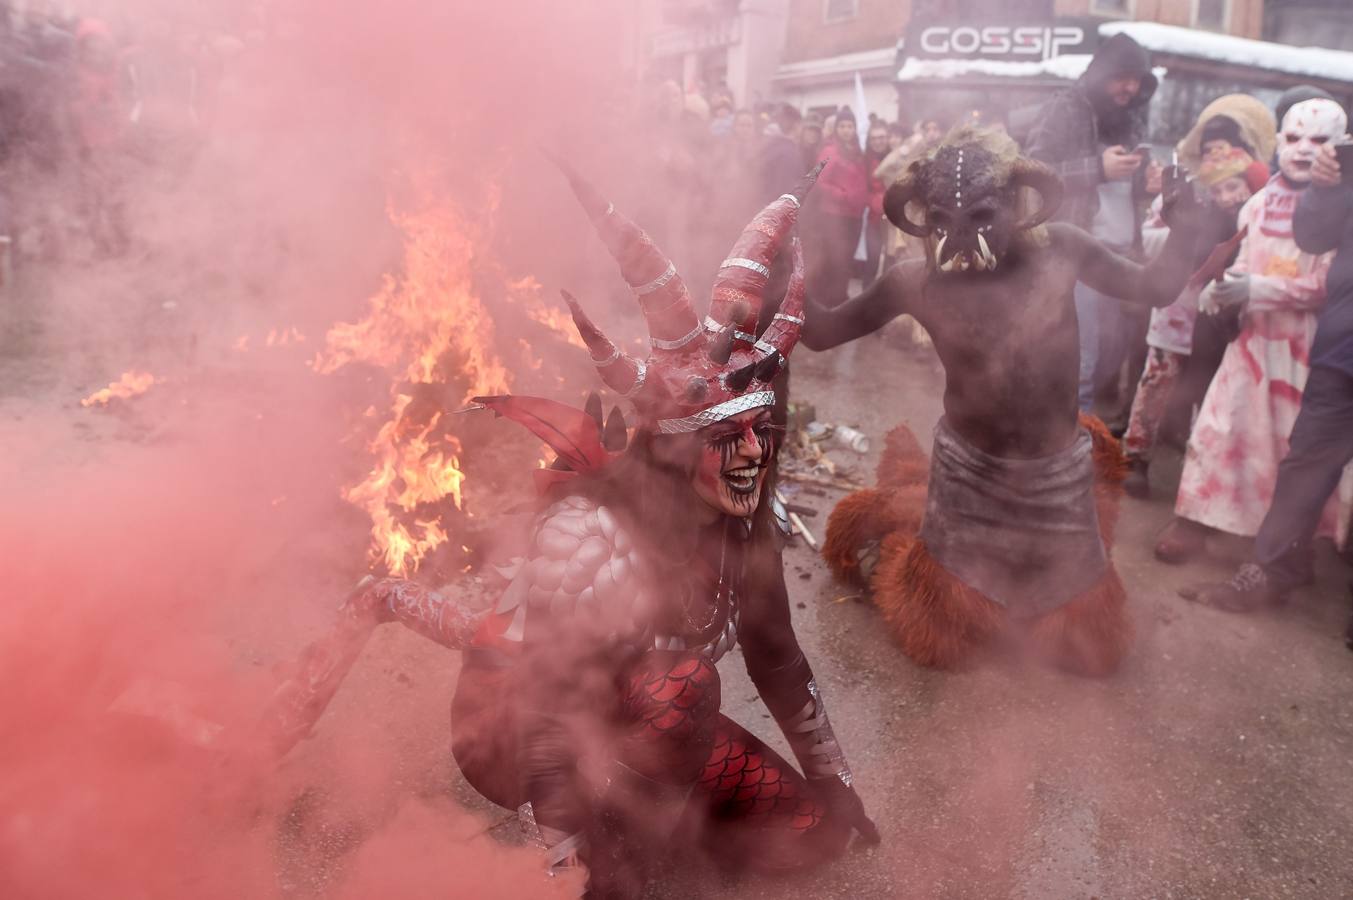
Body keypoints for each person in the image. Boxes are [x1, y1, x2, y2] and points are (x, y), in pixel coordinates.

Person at [296, 166, 878, 898]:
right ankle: (616, 838)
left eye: (761, 431)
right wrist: (566, 869)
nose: (754, 455)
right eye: (726, 438)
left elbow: (780, 666)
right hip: (521, 736)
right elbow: (543, 719)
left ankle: (654, 820)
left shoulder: (742, 533)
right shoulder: (592, 539)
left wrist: (836, 783)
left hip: (646, 725)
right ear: (672, 448)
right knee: (682, 685)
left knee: (805, 835)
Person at [807, 126, 1206, 676]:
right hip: (968, 475)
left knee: (1090, 652)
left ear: (1016, 209)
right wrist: (781, 272)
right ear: (924, 220)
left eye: (980, 217)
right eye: (942, 221)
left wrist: (1186, 232)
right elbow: (823, 331)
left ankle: (974, 549)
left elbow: (1155, 288)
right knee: (943, 639)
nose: (961, 237)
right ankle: (893, 544)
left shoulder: (1061, 250)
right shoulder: (913, 281)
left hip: (1057, 474)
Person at [1155, 99, 1349, 564]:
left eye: (1320, 140)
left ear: (1340, 146)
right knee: (1219, 426)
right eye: (1295, 137)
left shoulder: (1339, 210)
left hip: (1303, 349)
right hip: (1252, 340)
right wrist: (1222, 290)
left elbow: (1326, 285)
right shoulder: (1257, 204)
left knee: (1284, 446)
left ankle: (1279, 546)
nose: (1305, 149)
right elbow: (1243, 260)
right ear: (1277, 141)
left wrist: (1258, 287)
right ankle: (1195, 520)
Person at [1121, 147, 1274, 498]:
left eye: (1233, 186)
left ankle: (1196, 479)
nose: (1226, 197)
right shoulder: (1185, 203)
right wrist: (1183, 233)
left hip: (1219, 329)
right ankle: (1137, 460)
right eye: (1217, 189)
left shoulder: (1259, 218)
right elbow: (1147, 239)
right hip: (1175, 316)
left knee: (1205, 399)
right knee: (1156, 385)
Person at [1026, 32, 1161, 413]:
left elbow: (1127, 190)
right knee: (1080, 361)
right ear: (1102, 74)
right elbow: (1033, 174)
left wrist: (1147, 183)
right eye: (1122, 77)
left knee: (1108, 362)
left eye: (1137, 80)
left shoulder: (1132, 117)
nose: (1130, 87)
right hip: (1075, 256)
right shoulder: (1064, 109)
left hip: (1122, 258)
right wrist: (1097, 169)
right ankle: (1068, 450)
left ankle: (1084, 438)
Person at [806, 107, 868, 308]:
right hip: (833, 215)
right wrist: (841, 195)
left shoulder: (858, 152)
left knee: (846, 260)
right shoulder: (830, 151)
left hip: (854, 216)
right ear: (836, 129)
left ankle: (839, 298)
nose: (846, 130)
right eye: (842, 126)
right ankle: (827, 301)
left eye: (850, 126)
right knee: (834, 259)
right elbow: (819, 181)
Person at [862, 121, 891, 282]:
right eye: (874, 138)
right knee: (872, 261)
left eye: (881, 137)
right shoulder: (865, 161)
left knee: (890, 263)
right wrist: (875, 201)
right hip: (874, 218)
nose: (878, 141)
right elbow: (860, 187)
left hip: (894, 221)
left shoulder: (894, 156)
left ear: (887, 138)